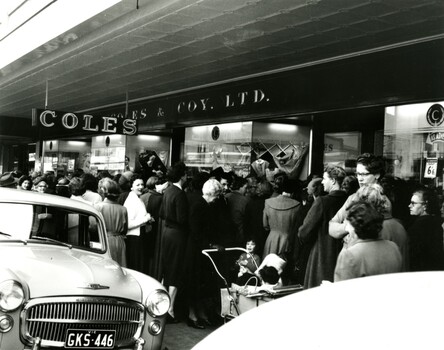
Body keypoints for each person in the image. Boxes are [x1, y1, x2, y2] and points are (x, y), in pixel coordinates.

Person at [298, 166, 348, 289]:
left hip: (321, 253)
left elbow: (305, 231)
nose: (322, 182)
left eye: (325, 178)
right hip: (344, 253)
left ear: (333, 181)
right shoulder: (349, 199)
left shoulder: (322, 201)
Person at [334, 202, 402, 282]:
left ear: (354, 226)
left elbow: (341, 292)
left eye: (347, 224)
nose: (347, 228)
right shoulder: (393, 248)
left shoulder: (349, 255)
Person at [329, 153, 387, 241]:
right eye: (358, 174)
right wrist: (347, 227)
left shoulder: (384, 201)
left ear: (377, 175)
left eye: (364, 174)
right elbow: (331, 226)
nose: (360, 179)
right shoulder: (352, 198)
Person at [159, 162, 188, 323]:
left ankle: (163, 305)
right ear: (182, 175)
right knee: (176, 270)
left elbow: (162, 213)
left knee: (167, 269)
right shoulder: (179, 193)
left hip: (167, 233)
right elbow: (183, 219)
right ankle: (169, 309)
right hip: (177, 235)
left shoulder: (168, 191)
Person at [262, 177, 301, 264]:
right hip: (288, 241)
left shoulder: (268, 202)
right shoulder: (297, 205)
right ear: (293, 191)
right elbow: (297, 227)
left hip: (271, 239)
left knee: (267, 268)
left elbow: (265, 225)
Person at [407, 187, 444, 271]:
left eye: (413, 203)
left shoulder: (417, 227)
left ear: (425, 205)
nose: (409, 206)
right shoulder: (437, 222)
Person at [95, 178, 128, 266]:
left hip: (104, 241)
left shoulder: (98, 207)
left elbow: (93, 227)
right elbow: (125, 229)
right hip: (120, 241)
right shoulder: (123, 209)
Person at [123, 176, 152, 272]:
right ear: (131, 187)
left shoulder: (137, 199)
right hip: (134, 238)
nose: (141, 187)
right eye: (137, 185)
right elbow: (129, 224)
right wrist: (145, 219)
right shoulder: (132, 201)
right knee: (136, 267)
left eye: (142, 184)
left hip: (138, 236)